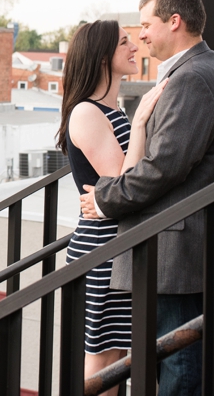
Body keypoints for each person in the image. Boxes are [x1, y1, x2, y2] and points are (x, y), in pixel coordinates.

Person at [79, 0, 214, 396]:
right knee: (180, 364)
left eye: (145, 24)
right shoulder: (200, 70)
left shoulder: (192, 78)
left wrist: (104, 201)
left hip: (184, 256)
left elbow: (162, 168)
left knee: (181, 369)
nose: (140, 35)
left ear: (174, 22)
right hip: (187, 252)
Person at [57, 20, 167, 394]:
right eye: (124, 42)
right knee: (103, 363)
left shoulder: (109, 110)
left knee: (117, 361)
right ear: (103, 57)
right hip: (101, 253)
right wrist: (139, 127)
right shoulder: (87, 112)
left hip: (116, 250)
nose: (135, 46)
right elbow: (123, 183)